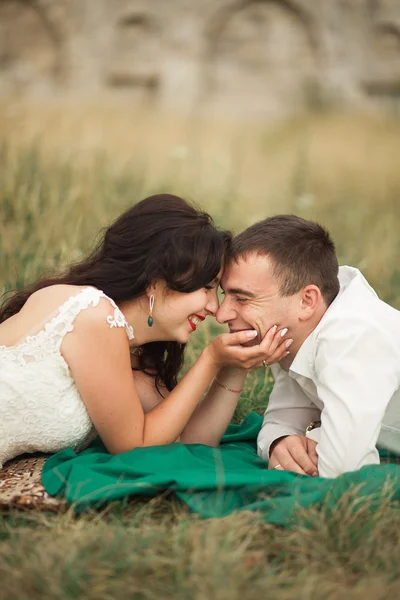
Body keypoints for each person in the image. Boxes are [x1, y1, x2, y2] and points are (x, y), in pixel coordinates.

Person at [0, 194, 289, 469]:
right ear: (155, 280)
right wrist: (210, 359)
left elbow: (189, 441)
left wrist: (233, 367)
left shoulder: (128, 347)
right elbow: (134, 448)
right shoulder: (92, 314)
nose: (215, 308)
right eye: (207, 287)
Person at [216, 214, 400, 478]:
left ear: (307, 301)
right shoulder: (296, 333)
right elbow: (282, 421)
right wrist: (280, 443)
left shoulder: (352, 337)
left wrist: (313, 436)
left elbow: (343, 469)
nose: (221, 315)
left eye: (242, 298)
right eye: (225, 295)